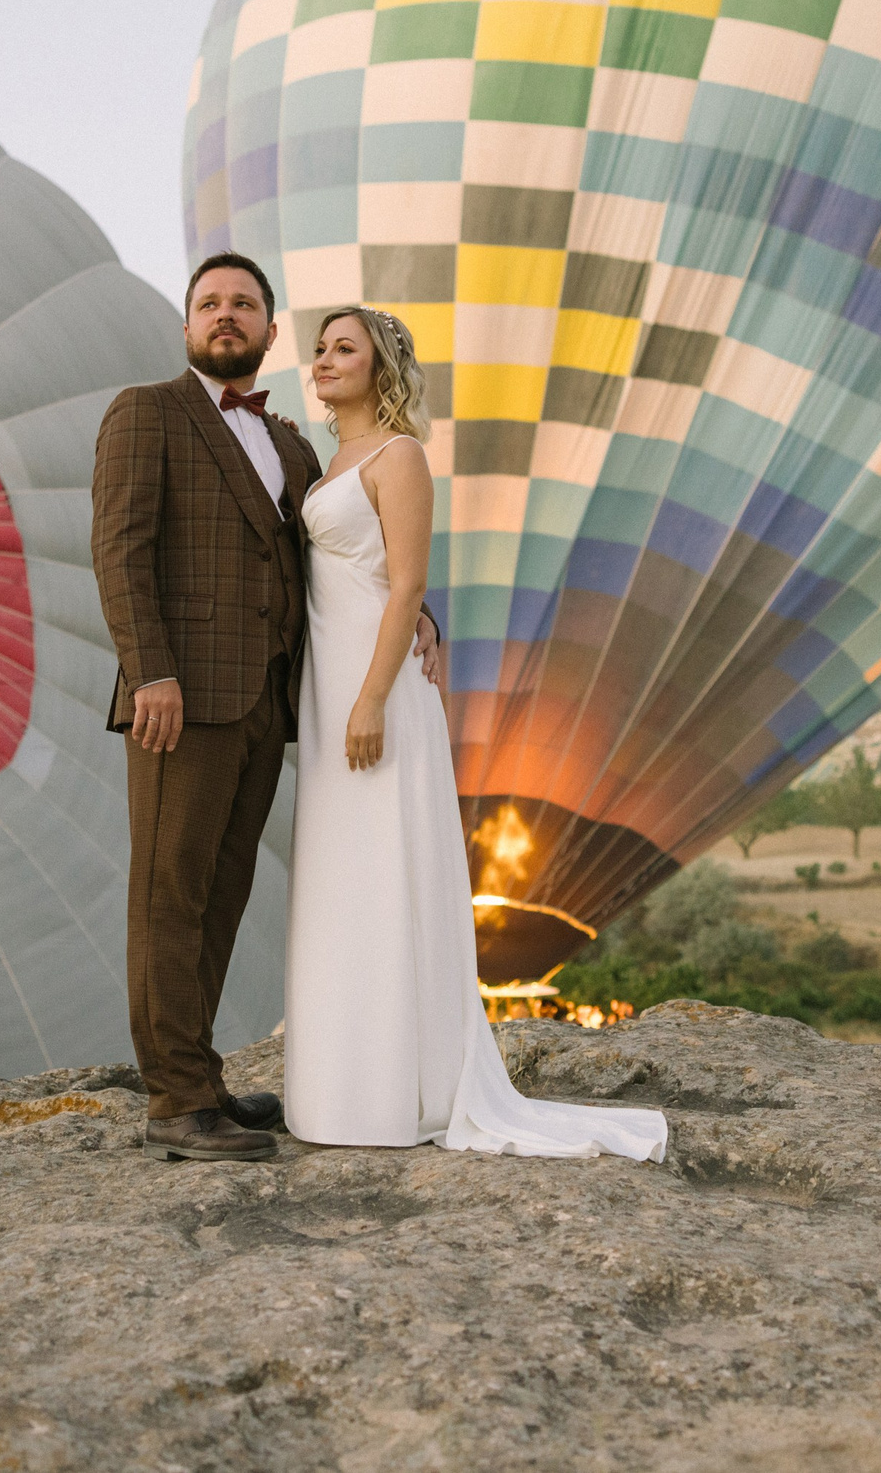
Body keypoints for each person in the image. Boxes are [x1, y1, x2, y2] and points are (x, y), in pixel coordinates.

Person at [282, 307, 667, 1162]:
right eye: (321, 348)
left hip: (372, 698)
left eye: (347, 347)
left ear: (382, 367)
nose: (326, 358)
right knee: (342, 883)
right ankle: (340, 1090)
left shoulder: (398, 455)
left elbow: (407, 578)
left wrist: (374, 695)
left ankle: (399, 1093)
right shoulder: (323, 464)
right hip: (330, 693)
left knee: (386, 873)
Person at [89, 254, 440, 1162]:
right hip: (180, 698)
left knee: (223, 893)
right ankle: (174, 1099)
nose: (226, 315)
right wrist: (149, 671)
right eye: (209, 303)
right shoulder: (146, 412)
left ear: (268, 331)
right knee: (169, 891)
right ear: (188, 327)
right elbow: (121, 552)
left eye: (245, 303)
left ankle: (198, 1075)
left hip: (266, 705)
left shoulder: (290, 445)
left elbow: (339, 554)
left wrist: (418, 611)